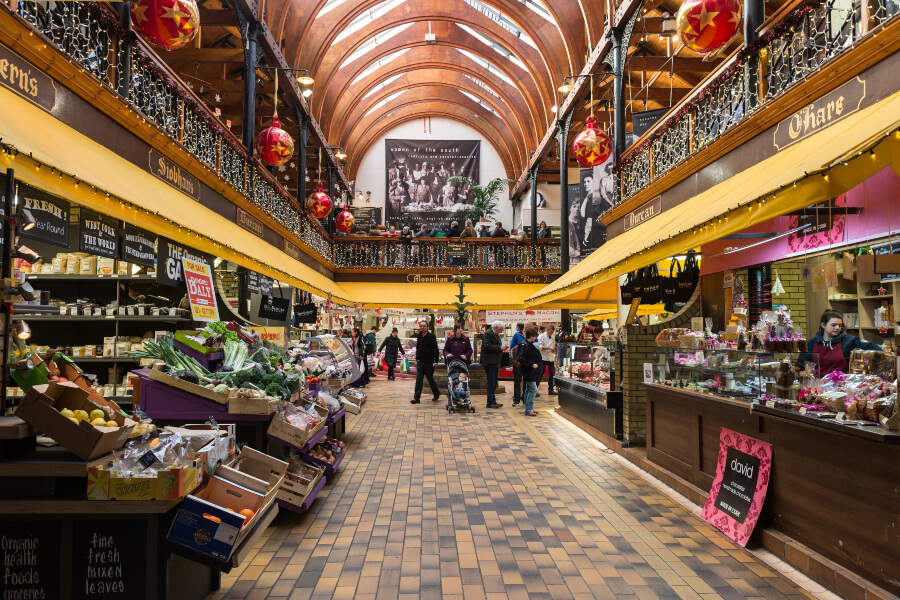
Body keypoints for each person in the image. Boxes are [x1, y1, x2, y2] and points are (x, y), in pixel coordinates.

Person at [803, 309, 881, 375]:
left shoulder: (850, 341)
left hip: (842, 387)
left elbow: (877, 349)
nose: (837, 328)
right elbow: (801, 367)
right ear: (823, 325)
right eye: (833, 325)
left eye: (840, 325)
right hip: (818, 387)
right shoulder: (810, 344)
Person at [411, 320, 440, 404]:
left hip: (429, 362)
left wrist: (436, 360)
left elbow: (435, 349)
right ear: (419, 327)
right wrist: (417, 359)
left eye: (424, 326)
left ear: (427, 327)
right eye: (421, 326)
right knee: (419, 380)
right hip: (420, 362)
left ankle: (436, 392)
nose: (422, 327)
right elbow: (418, 348)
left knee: (430, 379)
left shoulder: (431, 336)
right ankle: (416, 398)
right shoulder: (419, 336)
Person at [481, 321, 506, 409]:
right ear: (496, 327)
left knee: (494, 382)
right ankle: (490, 402)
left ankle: (493, 401)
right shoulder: (488, 334)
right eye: (501, 329)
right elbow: (487, 346)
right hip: (489, 362)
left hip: (494, 362)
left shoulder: (494, 334)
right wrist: (500, 348)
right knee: (491, 382)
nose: (501, 331)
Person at [518, 328, 543, 416]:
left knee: (528, 389)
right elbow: (521, 358)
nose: (535, 338)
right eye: (535, 336)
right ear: (532, 336)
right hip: (529, 371)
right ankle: (528, 409)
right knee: (533, 389)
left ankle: (529, 408)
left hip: (531, 371)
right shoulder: (524, 345)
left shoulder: (527, 344)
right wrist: (531, 364)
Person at [537, 325, 557, 395]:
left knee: (552, 373)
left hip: (550, 358)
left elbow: (553, 346)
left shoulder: (553, 337)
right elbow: (539, 346)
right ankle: (535, 389)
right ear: (547, 330)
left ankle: (551, 389)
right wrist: (549, 348)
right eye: (550, 332)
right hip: (542, 357)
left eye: (552, 333)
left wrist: (553, 350)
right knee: (541, 373)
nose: (551, 334)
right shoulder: (541, 336)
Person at [510, 323, 526, 407]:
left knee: (526, 381)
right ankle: (516, 399)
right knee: (517, 380)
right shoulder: (517, 334)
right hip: (518, 362)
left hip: (527, 362)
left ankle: (524, 398)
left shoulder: (531, 335)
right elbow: (512, 346)